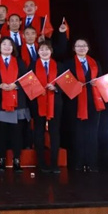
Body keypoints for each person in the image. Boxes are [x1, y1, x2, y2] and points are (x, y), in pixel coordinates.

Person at [0, 37, 29, 172]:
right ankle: (2, 160)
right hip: (0, 102)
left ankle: (17, 160)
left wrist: (16, 85)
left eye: (10, 45)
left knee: (17, 133)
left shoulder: (20, 62)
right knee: (1, 133)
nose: (7, 47)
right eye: (4, 44)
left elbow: (26, 78)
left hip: (17, 103)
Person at [66, 38, 105, 173]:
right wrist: (75, 84)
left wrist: (97, 82)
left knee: (92, 134)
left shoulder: (95, 63)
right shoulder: (68, 63)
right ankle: (78, 163)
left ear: (88, 48)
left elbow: (102, 80)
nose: (81, 48)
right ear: (74, 49)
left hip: (93, 103)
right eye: (78, 46)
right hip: (76, 103)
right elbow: (64, 82)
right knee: (78, 134)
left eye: (84, 46)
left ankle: (92, 163)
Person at [33, 41, 63, 174]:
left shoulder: (59, 66)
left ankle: (54, 163)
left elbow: (66, 83)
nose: (44, 52)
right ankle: (41, 163)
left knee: (54, 132)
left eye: (47, 49)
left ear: (51, 51)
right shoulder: (32, 65)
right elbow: (27, 83)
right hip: (37, 103)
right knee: (39, 132)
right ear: (38, 52)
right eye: (41, 49)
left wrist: (56, 88)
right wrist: (37, 88)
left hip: (55, 103)